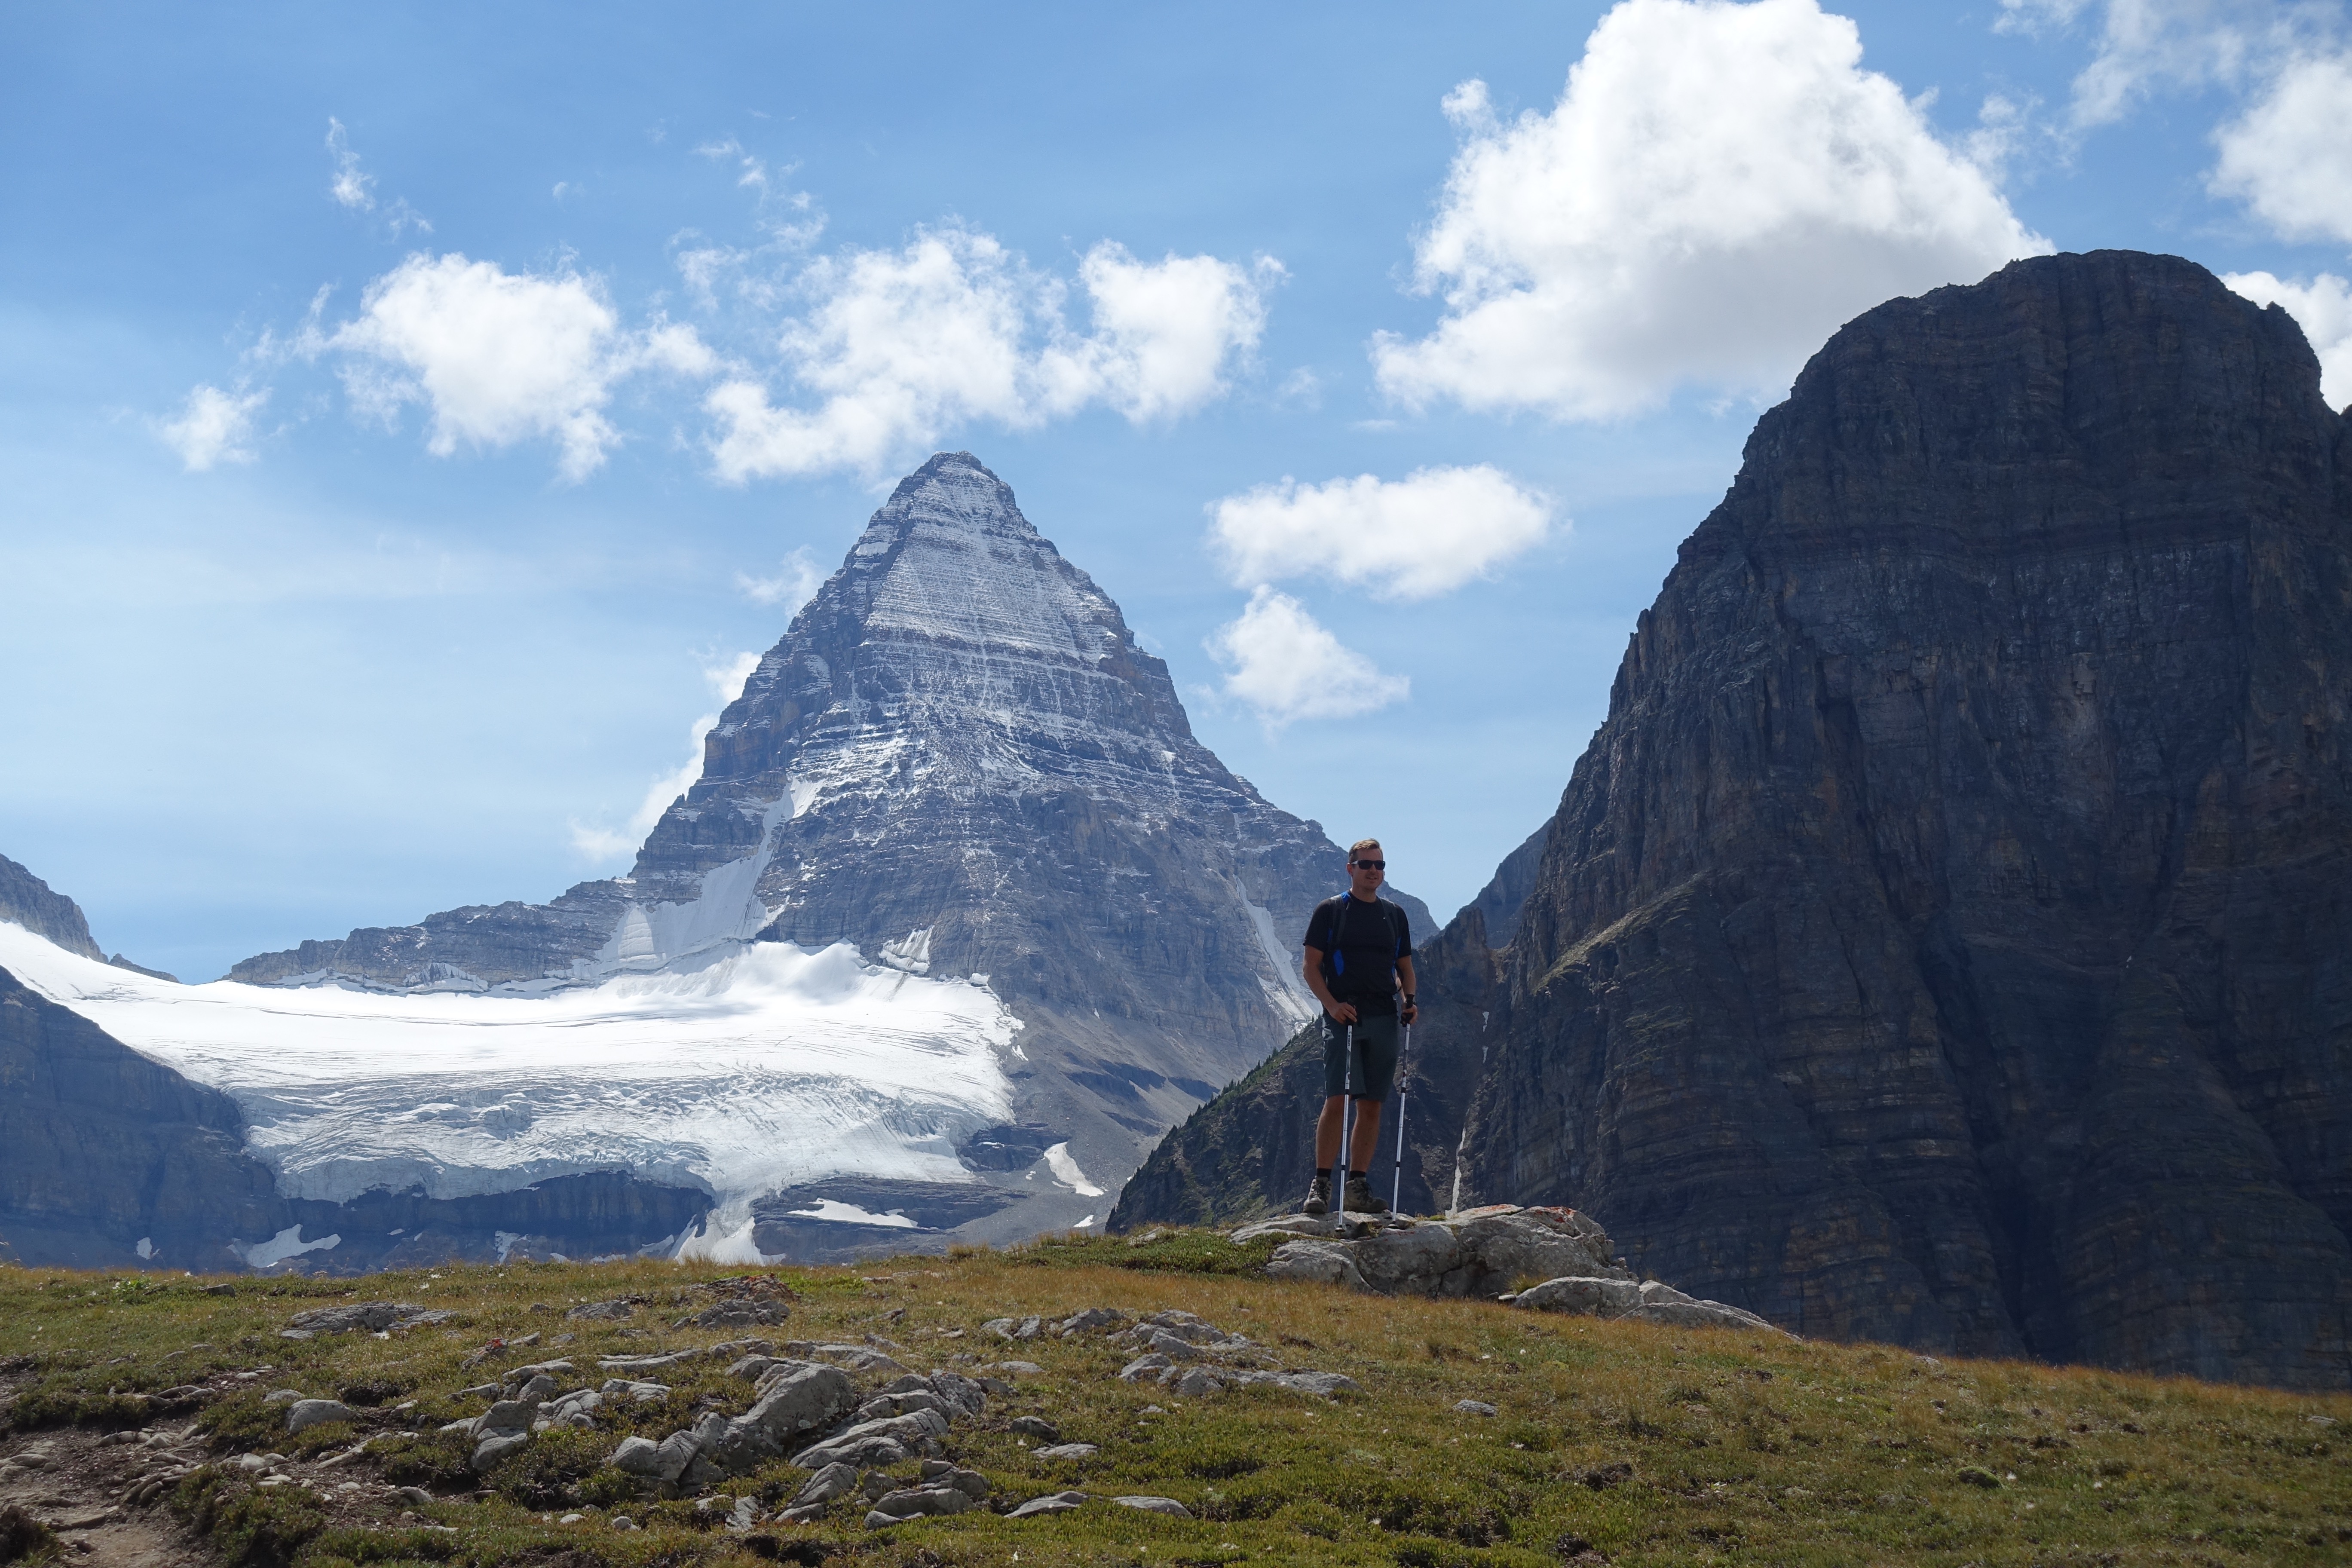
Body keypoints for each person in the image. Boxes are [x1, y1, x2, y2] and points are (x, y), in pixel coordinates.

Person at [1299, 838, 1417, 1215]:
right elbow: (1310, 967)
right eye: (1366, 864)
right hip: (1344, 1015)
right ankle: (1321, 1185)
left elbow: (1404, 967)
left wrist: (1410, 1002)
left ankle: (1358, 1187)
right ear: (1350, 868)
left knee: (1372, 1104)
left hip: (1383, 1015)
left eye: (1380, 866)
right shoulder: (1331, 911)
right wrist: (1332, 1006)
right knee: (1337, 1098)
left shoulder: (1395, 914)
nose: (1373, 872)